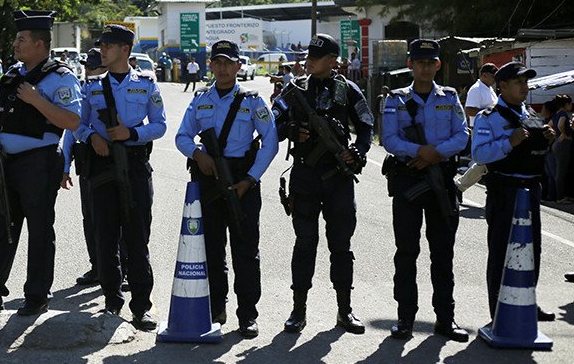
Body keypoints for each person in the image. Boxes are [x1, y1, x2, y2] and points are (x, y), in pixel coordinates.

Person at [0, 10, 81, 316]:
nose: (15, 43)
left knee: (39, 230)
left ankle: (37, 294)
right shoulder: (13, 73)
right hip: (5, 163)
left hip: (39, 163)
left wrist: (38, 100)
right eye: (16, 38)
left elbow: (73, 120)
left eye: (21, 38)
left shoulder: (60, 77)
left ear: (40, 44)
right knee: (0, 227)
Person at [175, 40, 278, 338]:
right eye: (217, 62)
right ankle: (216, 310)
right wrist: (198, 154)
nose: (222, 68)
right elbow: (182, 136)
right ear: (210, 65)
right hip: (209, 179)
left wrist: (251, 179)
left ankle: (247, 314)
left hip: (242, 178)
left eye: (228, 63)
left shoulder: (253, 101)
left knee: (245, 249)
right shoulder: (200, 99)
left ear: (238, 66)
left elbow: (270, 141)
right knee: (212, 249)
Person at [272, 33, 373, 335]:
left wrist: (358, 152)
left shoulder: (348, 90)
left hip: (338, 179)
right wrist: (291, 128)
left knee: (341, 246)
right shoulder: (293, 91)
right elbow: (273, 128)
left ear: (333, 61)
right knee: (305, 244)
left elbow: (367, 126)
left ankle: (344, 310)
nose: (310, 60)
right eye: (309, 55)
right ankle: (298, 310)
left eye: (318, 56)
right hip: (304, 176)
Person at [74, 24, 166, 331]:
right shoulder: (91, 86)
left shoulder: (147, 84)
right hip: (102, 167)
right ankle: (112, 301)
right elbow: (77, 123)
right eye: (101, 45)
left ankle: (141, 307)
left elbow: (160, 125)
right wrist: (91, 138)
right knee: (105, 236)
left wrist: (132, 133)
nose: (103, 50)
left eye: (109, 46)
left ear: (125, 50)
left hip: (136, 165)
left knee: (137, 238)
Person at [382, 39, 470, 342]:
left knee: (443, 254)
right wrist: (420, 150)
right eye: (419, 61)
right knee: (407, 252)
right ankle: (405, 317)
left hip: (441, 181)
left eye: (429, 62)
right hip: (408, 180)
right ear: (410, 65)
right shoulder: (394, 99)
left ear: (437, 66)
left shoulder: (449, 97)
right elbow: (389, 140)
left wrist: (436, 154)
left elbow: (462, 135)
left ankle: (446, 318)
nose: (424, 67)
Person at [472, 61, 557, 322]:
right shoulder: (490, 117)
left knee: (532, 249)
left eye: (526, 82)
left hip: (530, 189)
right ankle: (497, 309)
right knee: (501, 250)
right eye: (519, 82)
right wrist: (509, 142)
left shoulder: (529, 113)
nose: (525, 87)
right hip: (505, 191)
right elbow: (479, 153)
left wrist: (548, 137)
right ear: (503, 87)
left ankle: (527, 301)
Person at [62, 48, 107, 286]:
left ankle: (124, 267)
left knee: (117, 217)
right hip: (88, 161)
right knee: (89, 217)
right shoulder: (81, 90)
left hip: (112, 159)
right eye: (87, 67)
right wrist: (65, 165)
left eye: (93, 67)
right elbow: (72, 131)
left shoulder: (115, 89)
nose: (88, 71)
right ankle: (97, 266)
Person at [455, 63, 499, 194]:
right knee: (483, 163)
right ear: (484, 75)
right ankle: (459, 186)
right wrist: (489, 111)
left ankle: (494, 188)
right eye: (492, 76)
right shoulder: (476, 89)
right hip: (481, 130)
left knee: (494, 161)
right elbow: (469, 110)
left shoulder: (489, 89)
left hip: (492, 130)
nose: (494, 79)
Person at [550, 94, 573, 204]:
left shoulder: (555, 115)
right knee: (561, 171)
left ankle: (561, 195)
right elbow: (560, 125)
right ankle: (560, 197)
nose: (571, 105)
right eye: (570, 103)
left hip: (557, 143)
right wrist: (563, 134)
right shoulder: (563, 113)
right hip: (563, 144)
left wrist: (555, 136)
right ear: (566, 104)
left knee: (560, 170)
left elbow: (549, 125)